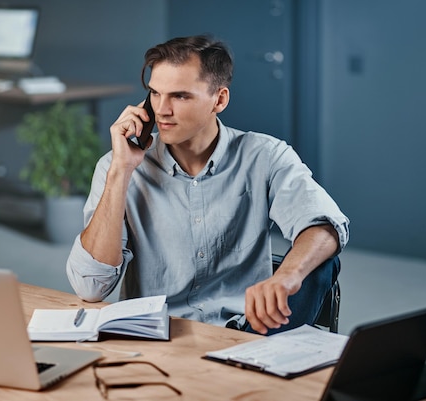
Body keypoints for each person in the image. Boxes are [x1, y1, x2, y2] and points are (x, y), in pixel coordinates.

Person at [66, 35, 349, 335]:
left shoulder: (264, 156)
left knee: (319, 264)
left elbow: (326, 225)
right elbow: (91, 287)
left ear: (220, 99)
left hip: (246, 335)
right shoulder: (116, 165)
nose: (161, 109)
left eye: (180, 96)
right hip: (159, 337)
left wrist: (286, 276)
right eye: (154, 93)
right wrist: (120, 172)